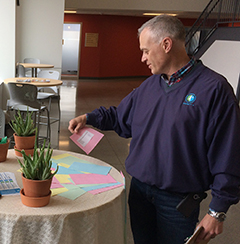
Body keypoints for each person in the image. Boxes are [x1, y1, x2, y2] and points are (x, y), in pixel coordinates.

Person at [68, 15, 240, 244]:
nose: (142, 58)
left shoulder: (214, 90)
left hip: (177, 203)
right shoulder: (150, 86)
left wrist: (217, 210)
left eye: (146, 51)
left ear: (166, 45)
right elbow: (121, 118)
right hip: (139, 193)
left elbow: (228, 153)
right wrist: (89, 117)